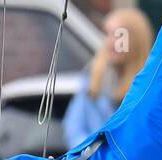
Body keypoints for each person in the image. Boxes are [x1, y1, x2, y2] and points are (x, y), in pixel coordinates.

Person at [64, 8, 155, 147]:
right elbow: (74, 130)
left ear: (135, 40)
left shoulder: (148, 87)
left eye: (119, 35)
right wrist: (93, 155)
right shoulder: (91, 80)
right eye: (108, 34)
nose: (111, 42)